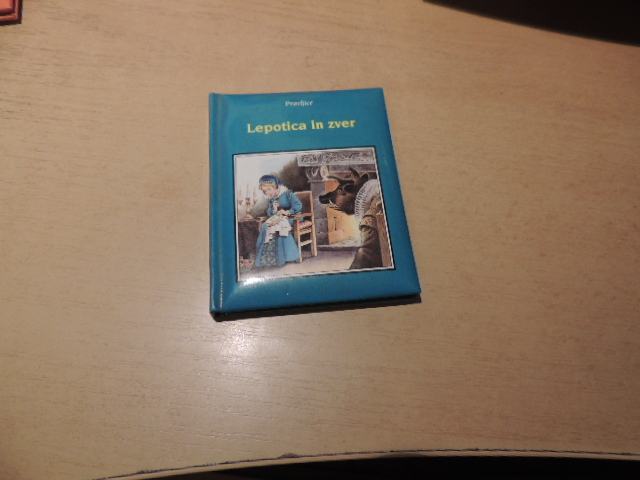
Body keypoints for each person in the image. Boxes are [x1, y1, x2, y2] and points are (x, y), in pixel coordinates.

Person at [254, 174, 302, 268]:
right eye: (265, 191)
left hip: (293, 217)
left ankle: (284, 257)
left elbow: (298, 206)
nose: (267, 193)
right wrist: (274, 209)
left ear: (275, 186)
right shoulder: (272, 199)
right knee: (266, 226)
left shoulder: (288, 194)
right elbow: (269, 213)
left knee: (278, 226)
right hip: (278, 219)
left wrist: (288, 212)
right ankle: (268, 258)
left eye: (269, 189)